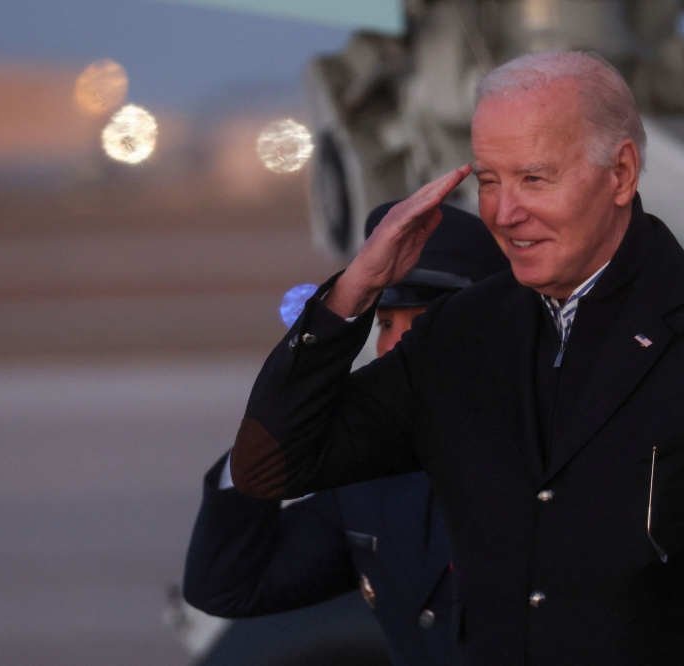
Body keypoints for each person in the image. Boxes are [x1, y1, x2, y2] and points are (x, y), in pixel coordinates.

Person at [230, 51, 684, 665]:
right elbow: (271, 466)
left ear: (619, 174)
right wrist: (353, 291)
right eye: (487, 182)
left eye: (534, 178)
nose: (505, 214)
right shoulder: (460, 336)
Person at [182, 203, 509, 666]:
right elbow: (229, 586)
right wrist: (272, 440)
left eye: (420, 323)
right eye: (386, 324)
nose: (394, 345)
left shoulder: (542, 455)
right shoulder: (367, 484)